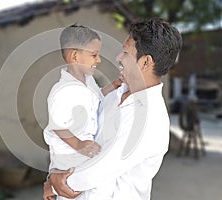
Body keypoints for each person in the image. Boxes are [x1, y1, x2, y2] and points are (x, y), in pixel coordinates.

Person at [44, 18, 183, 200]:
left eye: (126, 52)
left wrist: (54, 185)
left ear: (145, 62)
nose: (118, 57)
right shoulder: (115, 95)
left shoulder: (151, 120)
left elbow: (99, 170)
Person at [43, 24, 122, 200]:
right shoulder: (62, 91)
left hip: (84, 159)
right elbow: (58, 127)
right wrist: (78, 144)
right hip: (68, 163)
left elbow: (96, 96)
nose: (99, 60)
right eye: (94, 55)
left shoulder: (89, 81)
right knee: (70, 193)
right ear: (75, 56)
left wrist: (110, 87)